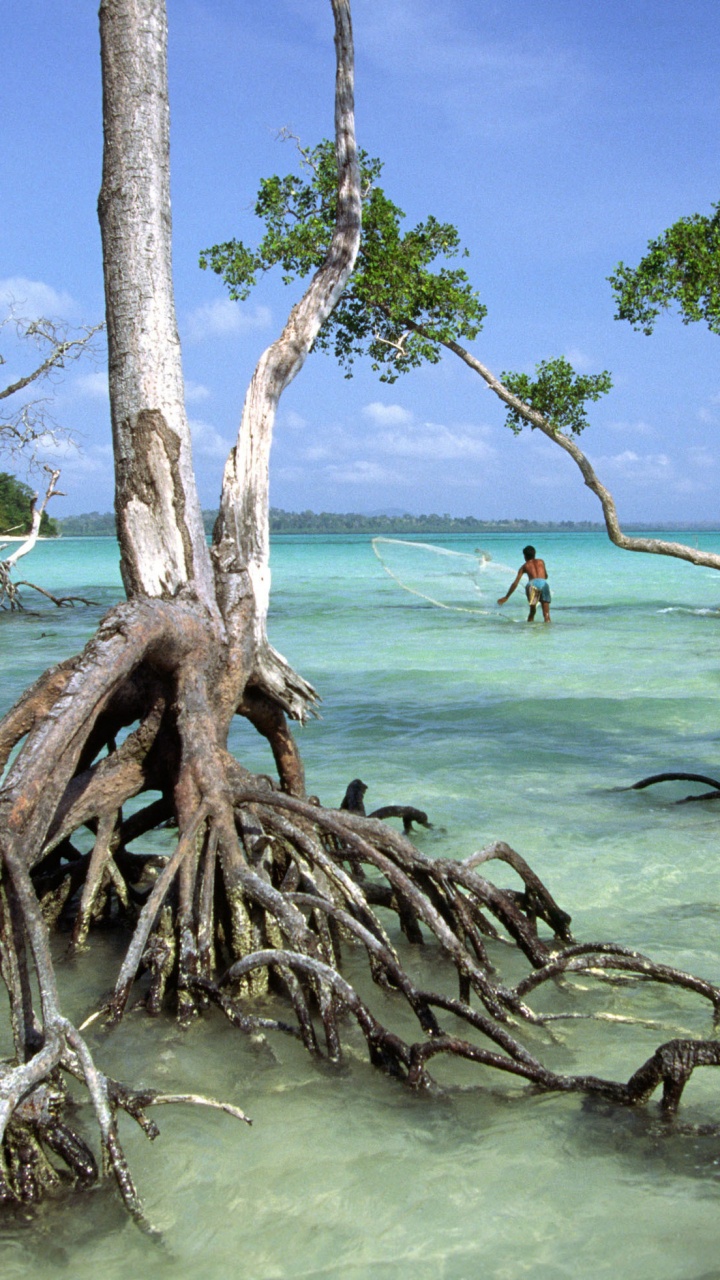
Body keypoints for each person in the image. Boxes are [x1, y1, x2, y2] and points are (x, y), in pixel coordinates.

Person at [497, 545, 551, 622]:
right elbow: (545, 576)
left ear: (525, 556)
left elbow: (515, 583)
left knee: (532, 611)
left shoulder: (524, 566)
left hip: (532, 585)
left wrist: (506, 597)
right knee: (546, 614)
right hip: (543, 584)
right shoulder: (541, 562)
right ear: (534, 554)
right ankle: (548, 632)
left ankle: (530, 631)